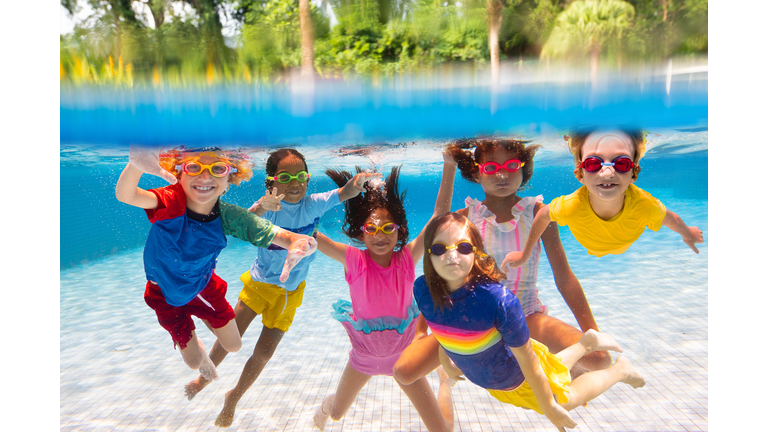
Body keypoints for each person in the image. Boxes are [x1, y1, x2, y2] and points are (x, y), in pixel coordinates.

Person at [182, 148, 381, 427]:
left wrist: (357, 183)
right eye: (286, 177)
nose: (295, 183)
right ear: (272, 181)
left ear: (308, 178)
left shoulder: (313, 204)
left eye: (301, 175)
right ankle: (203, 378)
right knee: (230, 337)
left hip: (290, 292)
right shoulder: (269, 206)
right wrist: (264, 205)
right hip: (260, 283)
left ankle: (234, 398)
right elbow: (247, 219)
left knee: (263, 354)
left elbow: (344, 193)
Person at [394, 138, 609, 391]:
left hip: (525, 313)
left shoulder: (538, 214)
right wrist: (422, 330)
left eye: (511, 165)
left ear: (523, 168)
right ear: (477, 172)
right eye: (491, 169)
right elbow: (440, 271)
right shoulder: (466, 219)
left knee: (600, 359)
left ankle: (558, 369)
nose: (502, 175)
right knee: (405, 372)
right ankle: (453, 362)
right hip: (469, 317)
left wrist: (593, 331)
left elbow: (564, 278)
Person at [416, 212, 646, 431]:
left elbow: (528, 361)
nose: (452, 256)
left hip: (520, 374)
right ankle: (586, 344)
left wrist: (549, 408)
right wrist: (445, 360)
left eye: (463, 247)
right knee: (552, 369)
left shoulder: (499, 301)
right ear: (428, 254)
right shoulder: (423, 289)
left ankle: (620, 371)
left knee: (564, 400)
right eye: (439, 248)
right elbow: (444, 326)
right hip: (496, 375)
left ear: (476, 254)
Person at [115, 146, 317, 383]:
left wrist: (297, 240)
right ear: (179, 173)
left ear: (229, 179)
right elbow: (126, 195)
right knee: (192, 362)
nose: (205, 177)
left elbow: (268, 231)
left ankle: (204, 319)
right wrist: (135, 166)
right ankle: (196, 345)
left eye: (218, 169)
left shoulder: (227, 216)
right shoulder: (169, 201)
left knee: (233, 345)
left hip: (202, 287)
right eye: (194, 167)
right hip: (164, 293)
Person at [312, 159, 457, 432]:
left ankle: (444, 385)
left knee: (443, 430)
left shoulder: (406, 258)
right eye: (371, 229)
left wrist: (449, 164)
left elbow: (440, 216)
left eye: (388, 228)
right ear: (361, 231)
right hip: (363, 358)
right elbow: (310, 233)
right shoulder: (352, 259)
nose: (380, 235)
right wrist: (287, 209)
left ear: (399, 229)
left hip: (405, 358)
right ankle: (324, 408)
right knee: (336, 414)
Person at [503, 130, 704, 269]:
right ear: (580, 173)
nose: (607, 172)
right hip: (590, 245)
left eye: (622, 163)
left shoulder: (644, 205)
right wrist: (525, 253)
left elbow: (671, 218)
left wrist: (687, 232)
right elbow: (543, 216)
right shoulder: (571, 205)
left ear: (634, 173)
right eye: (592, 163)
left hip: (624, 245)